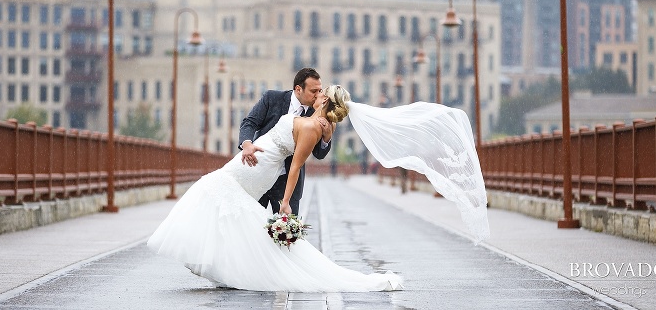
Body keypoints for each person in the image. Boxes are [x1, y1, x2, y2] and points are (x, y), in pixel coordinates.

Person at [148, 85, 490, 292]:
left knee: (217, 194)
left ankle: (222, 265)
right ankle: (217, 263)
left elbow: (296, 166)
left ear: (327, 103)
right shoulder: (308, 117)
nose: (319, 91)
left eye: (323, 92)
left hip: (263, 169)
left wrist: (284, 203)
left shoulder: (315, 126)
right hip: (252, 161)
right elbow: (255, 125)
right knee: (217, 197)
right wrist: (248, 143)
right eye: (317, 89)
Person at [239, 67, 333, 215]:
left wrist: (327, 137)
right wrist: (247, 144)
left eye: (320, 91)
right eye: (313, 91)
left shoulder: (318, 113)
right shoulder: (272, 98)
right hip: (259, 172)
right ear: (298, 89)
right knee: (251, 225)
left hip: (288, 183)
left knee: (286, 235)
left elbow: (319, 154)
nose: (318, 95)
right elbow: (249, 123)